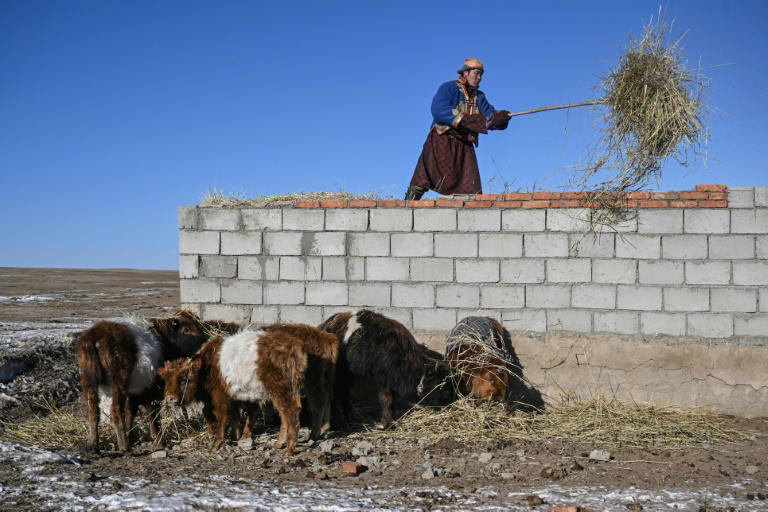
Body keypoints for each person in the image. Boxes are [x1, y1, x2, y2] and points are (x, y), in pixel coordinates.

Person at [405, 58, 511, 200]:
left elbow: (489, 118)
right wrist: (469, 120)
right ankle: (408, 206)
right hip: (442, 140)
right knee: (423, 177)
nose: (479, 78)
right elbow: (439, 109)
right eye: (476, 73)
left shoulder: (479, 97)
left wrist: (500, 119)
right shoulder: (449, 88)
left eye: (481, 75)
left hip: (465, 145)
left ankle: (469, 219)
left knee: (472, 189)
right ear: (466, 73)